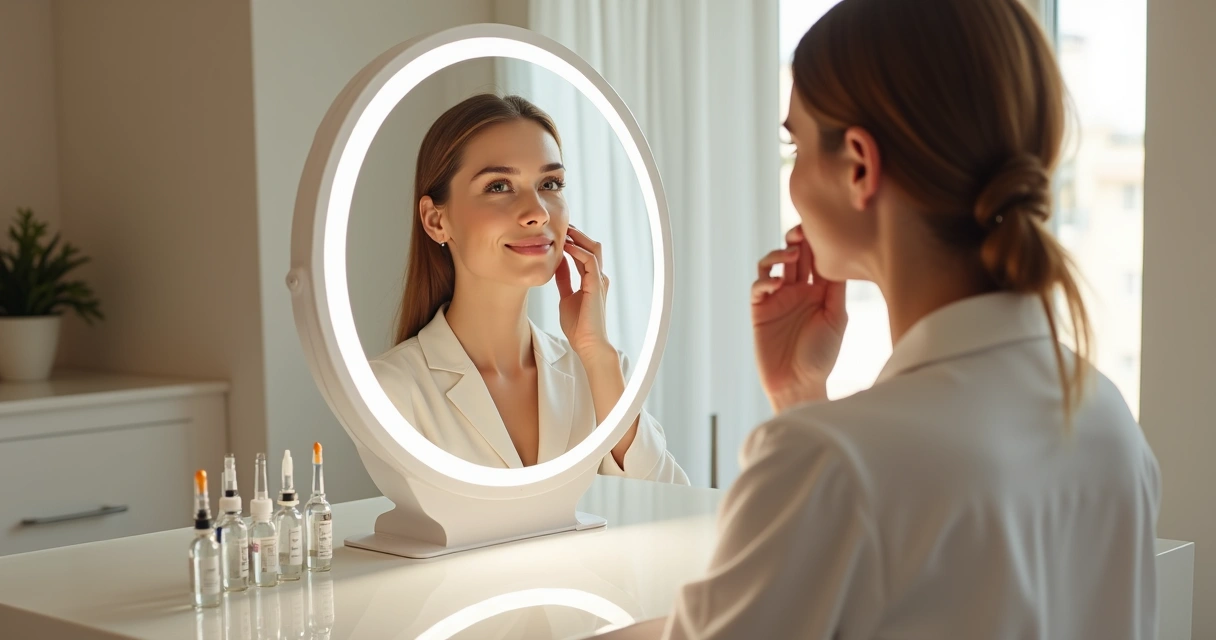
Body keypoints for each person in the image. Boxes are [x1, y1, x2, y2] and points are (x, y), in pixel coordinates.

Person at [662, 0, 1160, 637]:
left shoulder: (829, 467)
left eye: (796, 141)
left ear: (860, 166)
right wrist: (801, 398)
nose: (792, 177)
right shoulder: (1106, 420)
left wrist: (809, 433)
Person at [371, 93, 687, 484]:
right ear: (436, 220)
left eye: (550, 183)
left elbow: (672, 510)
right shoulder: (392, 389)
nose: (537, 212)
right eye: (499, 186)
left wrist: (597, 354)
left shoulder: (598, 372)